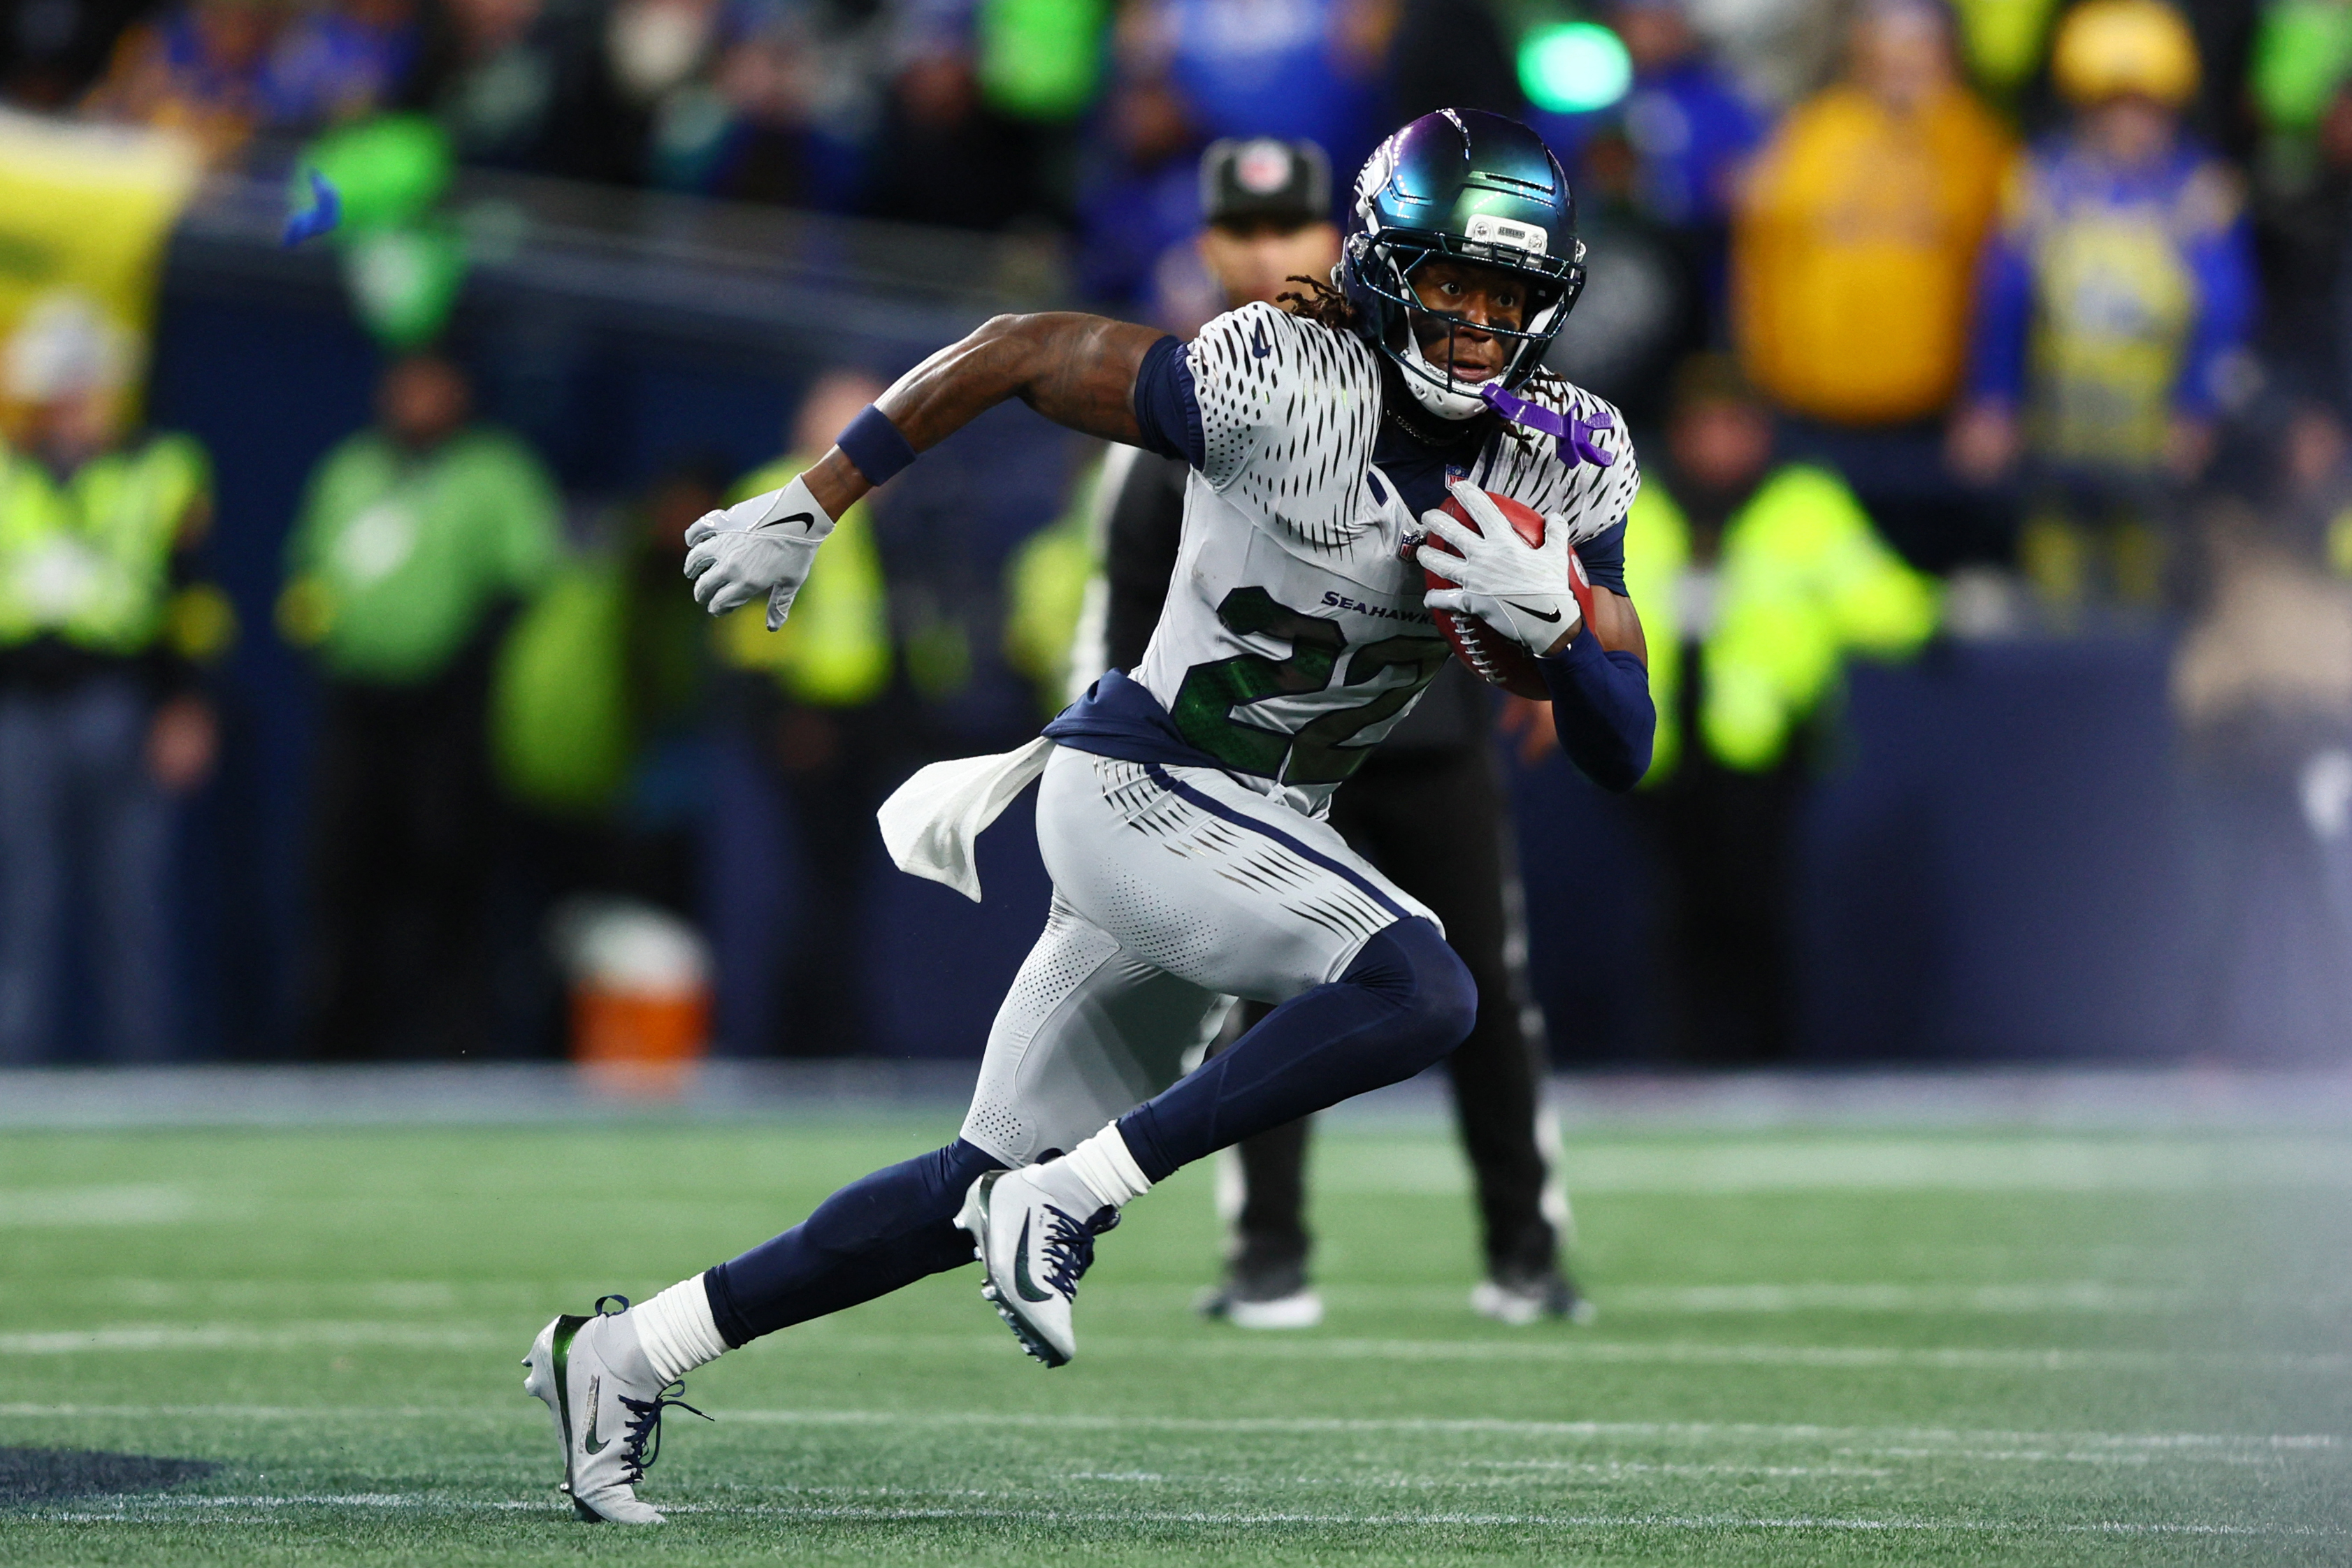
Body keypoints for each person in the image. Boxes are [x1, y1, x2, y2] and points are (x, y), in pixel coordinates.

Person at [522, 107, 1650, 1524]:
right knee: (1423, 984)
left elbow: (1623, 741)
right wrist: (816, 497)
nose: (1477, 325)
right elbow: (1015, 349)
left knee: (961, 1189)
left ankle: (626, 1352)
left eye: (1507, 296)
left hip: (1250, 828)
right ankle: (1077, 1198)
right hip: (1143, 784)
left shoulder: (1566, 456)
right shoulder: (1273, 375)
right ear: (1381, 268)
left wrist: (1559, 635)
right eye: (1449, 284)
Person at [1076, 136, 1584, 1328]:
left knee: (1488, 999)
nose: (1268, 252)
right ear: (1209, 245)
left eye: (1289, 228)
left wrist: (1554, 664)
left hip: (1428, 732)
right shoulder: (1200, 389)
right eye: (1244, 231)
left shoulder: (1451, 378)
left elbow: (1535, 516)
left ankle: (1526, 1243)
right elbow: (1134, 595)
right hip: (1271, 756)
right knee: (1264, 994)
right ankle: (1267, 1248)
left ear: (1341, 239)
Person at [1620, 356, 1940, 1063]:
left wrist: (1935, 616)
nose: (1719, 445)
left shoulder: (1803, 505)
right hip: (1660, 747)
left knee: (1757, 906)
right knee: (1676, 913)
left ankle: (1766, 1060)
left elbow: (1870, 592)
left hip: (1765, 743)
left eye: (1734, 427)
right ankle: (1684, 1060)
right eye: (1704, 428)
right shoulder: (1638, 506)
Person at [282, 351, 561, 1058]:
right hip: (358, 708)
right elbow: (309, 577)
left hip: (447, 713)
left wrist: (463, 661)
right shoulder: (350, 471)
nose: (416, 401)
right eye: (404, 386)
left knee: (449, 876)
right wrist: (325, 636)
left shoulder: (493, 472)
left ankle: (451, 1048)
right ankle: (339, 1050)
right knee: (345, 878)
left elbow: (525, 581)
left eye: (432, 385)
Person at [1948, 0, 2256, 612]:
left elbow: (2223, 311)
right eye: (2111, 105)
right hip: (2057, 425)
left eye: (2145, 105)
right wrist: (1993, 401)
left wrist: (2195, 408)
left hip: (2153, 436)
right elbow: (2004, 300)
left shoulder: (2198, 191)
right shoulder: (2045, 181)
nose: (2128, 123)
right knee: (2054, 578)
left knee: (2147, 584)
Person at [0, 295, 228, 1064]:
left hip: (119, 699)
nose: (73, 403)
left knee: (130, 899)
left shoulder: (162, 469)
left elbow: (192, 594)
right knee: (21, 898)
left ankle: (144, 1070)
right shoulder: (9, 473)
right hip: (19, 703)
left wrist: (188, 702)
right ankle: (16, 1072)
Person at [1731, 0, 2012, 572]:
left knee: (1920, 584)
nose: (1900, 62)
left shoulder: (1974, 143)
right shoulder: (1811, 132)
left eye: (1917, 47)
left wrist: (1989, 399)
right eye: (1885, 45)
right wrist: (1751, 383)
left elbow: (2002, 283)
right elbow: (1760, 262)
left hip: (1926, 423)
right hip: (1806, 416)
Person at [703, 370, 896, 1056]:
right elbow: (748, 620)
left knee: (843, 890)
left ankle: (832, 1033)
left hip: (856, 723)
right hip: (801, 723)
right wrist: (782, 714)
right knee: (802, 889)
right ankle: (803, 1038)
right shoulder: (782, 495)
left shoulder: (865, 506)